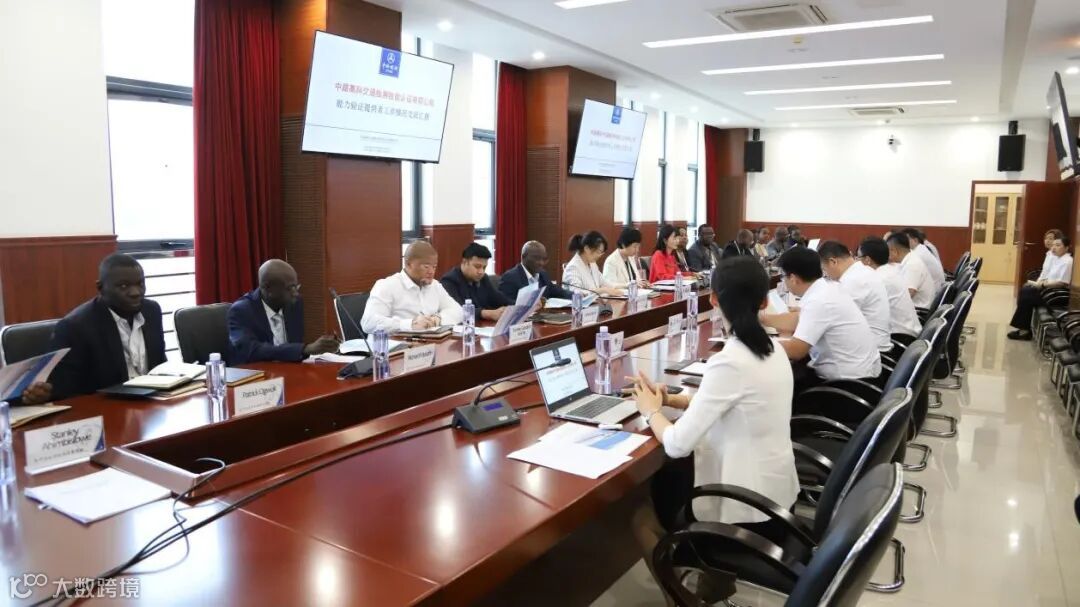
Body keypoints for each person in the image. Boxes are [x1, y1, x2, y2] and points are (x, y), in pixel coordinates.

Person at [628, 256, 798, 597]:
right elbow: (731, 402)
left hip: (747, 516)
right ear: (765, 302)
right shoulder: (774, 348)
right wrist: (671, 399)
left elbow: (677, 444)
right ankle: (714, 584)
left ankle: (683, 599)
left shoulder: (730, 361)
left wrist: (650, 411)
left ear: (713, 299)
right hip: (778, 501)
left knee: (640, 515)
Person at [18, 253, 167, 404]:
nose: (135, 292)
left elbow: (159, 365)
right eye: (123, 286)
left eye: (140, 284)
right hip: (108, 407)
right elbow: (64, 389)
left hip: (153, 402)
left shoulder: (151, 311)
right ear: (100, 288)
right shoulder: (76, 327)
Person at [761, 247, 881, 392]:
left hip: (848, 385)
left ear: (793, 278)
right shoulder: (827, 288)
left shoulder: (818, 301)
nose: (783, 281)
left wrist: (756, 342)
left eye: (783, 277)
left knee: (784, 381)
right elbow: (799, 320)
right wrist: (762, 319)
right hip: (861, 373)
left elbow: (796, 350)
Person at [228, 259, 339, 364]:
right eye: (290, 288)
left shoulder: (294, 303)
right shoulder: (241, 311)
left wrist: (322, 346)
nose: (295, 293)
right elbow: (251, 350)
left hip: (289, 370)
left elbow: (295, 343)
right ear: (267, 288)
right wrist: (305, 349)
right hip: (256, 373)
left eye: (296, 287)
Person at [362, 240, 464, 333]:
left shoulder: (435, 285)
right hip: (396, 345)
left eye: (434, 267)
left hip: (429, 344)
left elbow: (458, 311)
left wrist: (437, 319)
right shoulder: (387, 286)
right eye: (426, 267)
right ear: (408, 264)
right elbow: (369, 322)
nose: (431, 271)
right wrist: (410, 324)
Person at [818, 241, 892, 352]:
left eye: (824, 269)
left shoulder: (852, 280)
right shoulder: (863, 270)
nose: (826, 275)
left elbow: (832, 318)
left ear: (833, 262)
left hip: (872, 350)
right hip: (872, 343)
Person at [1008, 235, 1073, 340]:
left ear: (1066, 247)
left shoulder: (1067, 261)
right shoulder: (1058, 259)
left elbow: (1062, 283)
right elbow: (1049, 276)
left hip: (1055, 295)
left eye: (1058, 245)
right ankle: (1024, 328)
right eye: (1053, 245)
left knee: (1027, 295)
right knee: (1025, 290)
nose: (1054, 247)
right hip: (1048, 290)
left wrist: (1042, 285)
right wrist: (1039, 283)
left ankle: (1024, 330)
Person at [858, 236, 922, 338]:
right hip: (908, 330)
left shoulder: (878, 279)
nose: (857, 262)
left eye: (858, 258)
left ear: (867, 260)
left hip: (900, 337)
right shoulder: (890, 270)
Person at [440, 243, 513, 322]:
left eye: (484, 267)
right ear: (465, 262)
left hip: (483, 326)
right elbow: (458, 311)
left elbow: (499, 299)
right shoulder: (449, 281)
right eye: (477, 266)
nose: (481, 272)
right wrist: (486, 313)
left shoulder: (483, 279)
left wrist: (514, 307)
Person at [498, 240, 574, 301]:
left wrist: (576, 296)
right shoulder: (510, 278)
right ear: (523, 257)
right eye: (536, 258)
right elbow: (506, 304)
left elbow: (558, 292)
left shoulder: (543, 274)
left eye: (544, 259)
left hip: (543, 314)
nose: (541, 263)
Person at [562, 231, 624, 297]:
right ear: (587, 249)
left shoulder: (592, 264)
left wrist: (624, 288)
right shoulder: (573, 267)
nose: (599, 256)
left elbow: (605, 283)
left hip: (595, 302)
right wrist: (602, 290)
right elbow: (576, 292)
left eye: (601, 253)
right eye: (598, 252)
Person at [887, 232, 936, 308]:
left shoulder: (912, 265)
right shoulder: (910, 257)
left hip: (920, 310)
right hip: (914, 307)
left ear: (894, 251)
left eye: (888, 252)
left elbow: (906, 296)